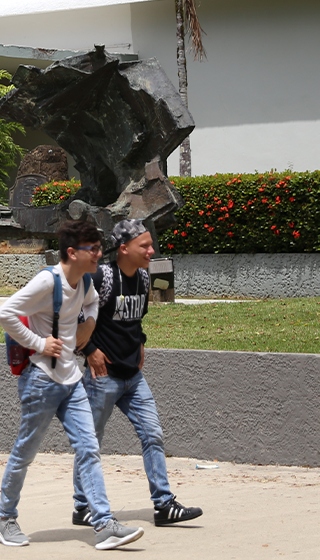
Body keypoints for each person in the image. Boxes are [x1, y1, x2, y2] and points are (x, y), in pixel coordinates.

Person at [0, 220, 145, 551]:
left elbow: (90, 302)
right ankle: (6, 518)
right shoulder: (48, 281)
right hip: (40, 381)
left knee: (88, 448)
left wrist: (88, 325)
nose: (99, 255)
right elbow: (3, 313)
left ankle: (103, 525)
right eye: (93, 249)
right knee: (26, 451)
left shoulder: (85, 281)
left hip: (71, 380)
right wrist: (39, 342)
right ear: (72, 253)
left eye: (100, 248)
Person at [72, 219, 203, 527]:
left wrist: (140, 343)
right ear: (124, 248)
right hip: (103, 377)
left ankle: (163, 505)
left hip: (133, 377)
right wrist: (89, 351)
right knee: (90, 442)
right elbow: (76, 318)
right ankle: (82, 506)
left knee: (153, 435)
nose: (151, 250)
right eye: (144, 245)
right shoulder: (102, 278)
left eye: (150, 244)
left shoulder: (144, 279)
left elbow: (136, 320)